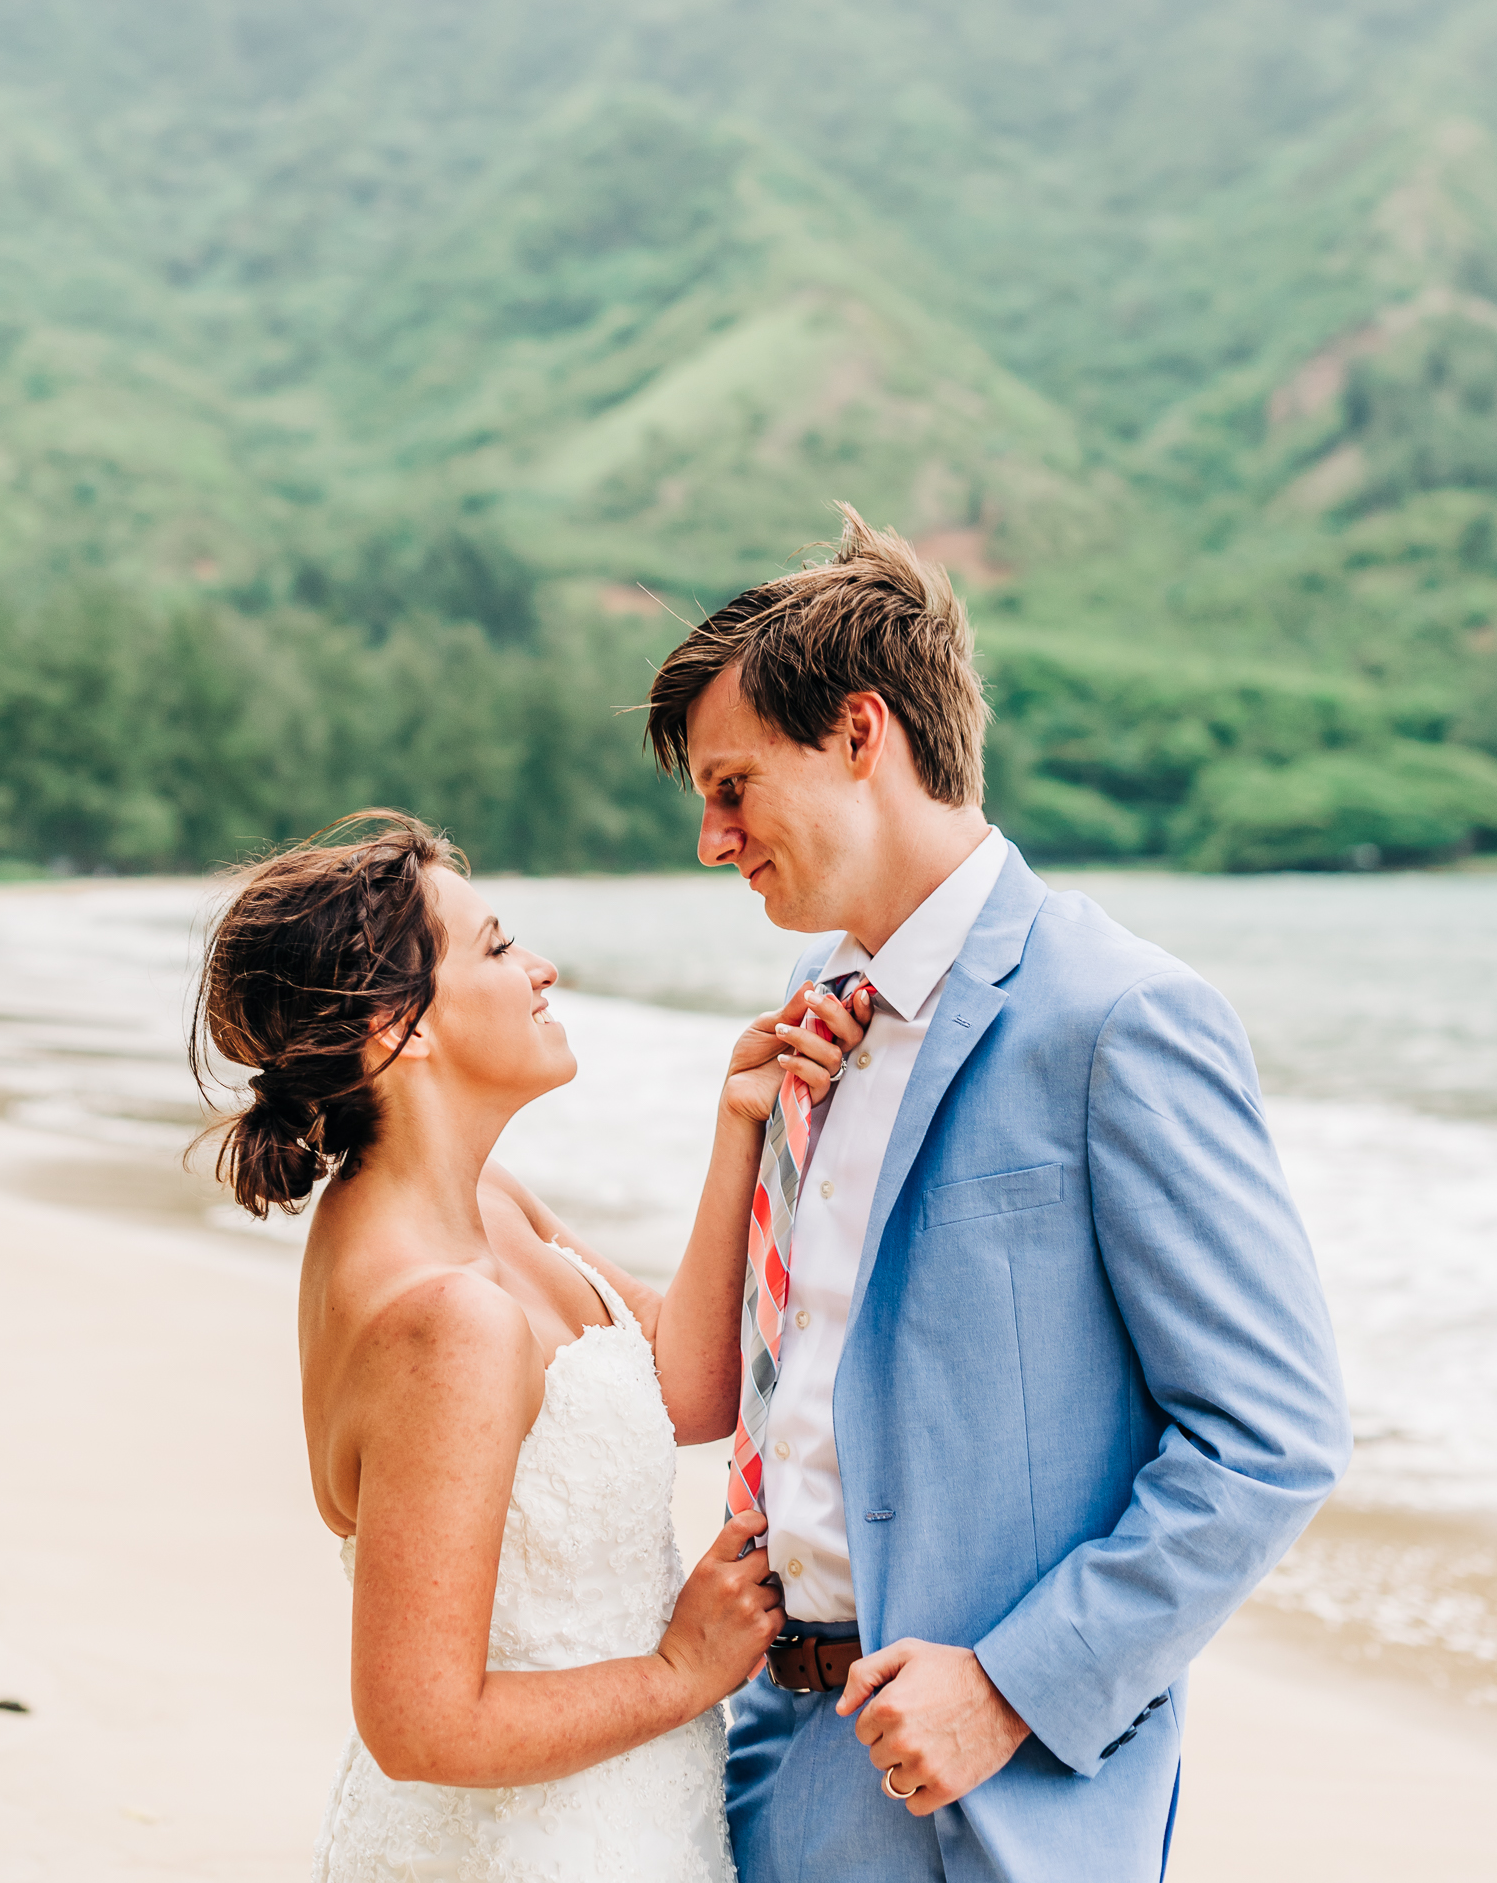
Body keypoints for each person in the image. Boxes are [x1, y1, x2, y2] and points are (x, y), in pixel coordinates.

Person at [645, 507, 1351, 1883]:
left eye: (733, 788)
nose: (714, 842)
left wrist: (1013, 1687)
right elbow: (800, 1363)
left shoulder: (1120, 1018)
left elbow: (1273, 1434)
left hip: (1000, 1800)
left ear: (861, 735)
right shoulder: (809, 1009)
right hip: (775, 1757)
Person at [188, 813, 870, 1883]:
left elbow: (687, 1389)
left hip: (619, 1815)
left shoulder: (485, 1206)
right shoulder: (444, 1317)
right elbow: (419, 1724)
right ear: (397, 1027)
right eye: (499, 945)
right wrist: (683, 1670)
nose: (541, 966)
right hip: (523, 1849)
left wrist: (742, 1123)